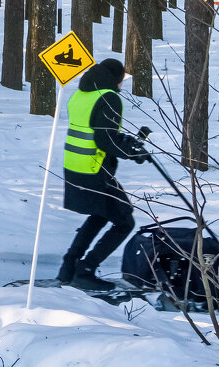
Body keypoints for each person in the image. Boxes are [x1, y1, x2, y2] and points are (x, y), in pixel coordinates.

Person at [57, 58, 151, 290]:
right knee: (124, 221)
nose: (121, 85)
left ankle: (69, 267)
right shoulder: (109, 97)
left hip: (74, 165)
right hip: (94, 168)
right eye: (121, 80)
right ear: (115, 78)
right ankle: (86, 271)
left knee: (100, 214)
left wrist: (124, 141)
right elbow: (104, 139)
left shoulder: (81, 94)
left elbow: (95, 130)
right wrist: (131, 153)